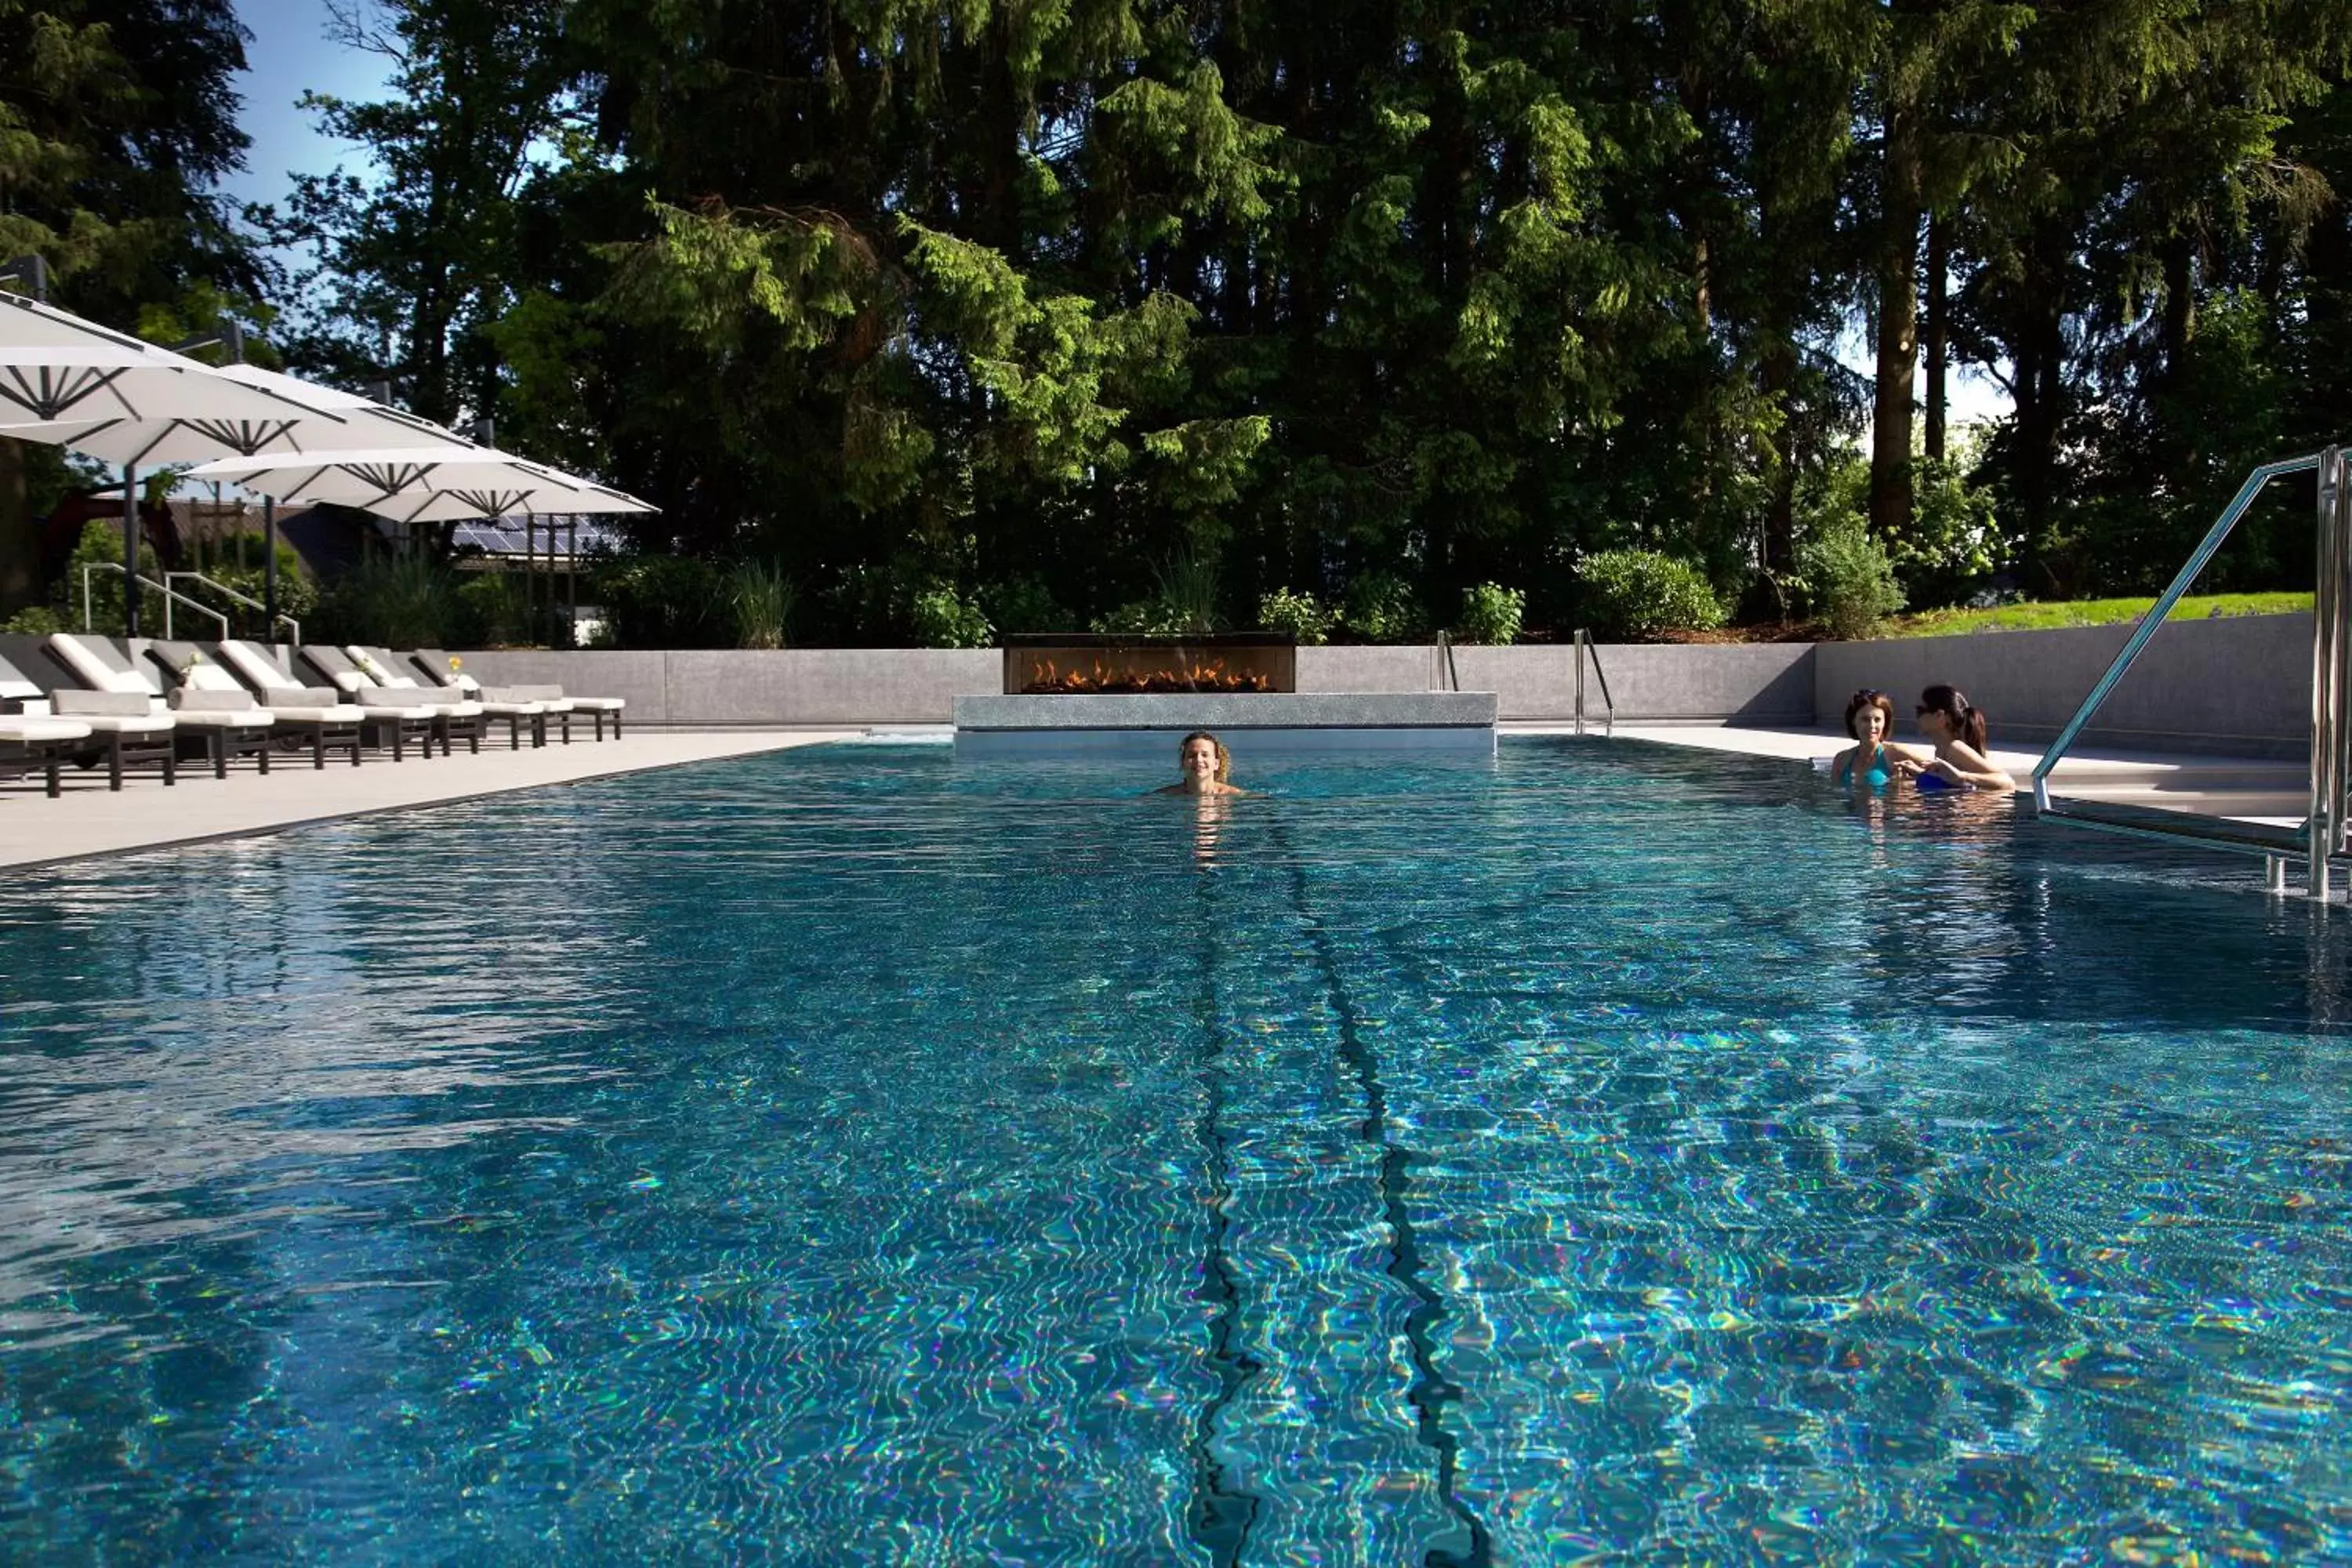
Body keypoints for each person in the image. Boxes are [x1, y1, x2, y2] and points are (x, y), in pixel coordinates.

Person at [1892, 684, 2017, 792]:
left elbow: (2008, 782)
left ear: (1939, 716)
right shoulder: (1941, 751)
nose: (1916, 716)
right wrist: (1920, 774)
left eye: (1920, 710)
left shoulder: (1955, 749)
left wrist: (1962, 776)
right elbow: (1949, 785)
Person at [1831, 689, 1897, 792]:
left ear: (1885, 722)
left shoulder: (1895, 754)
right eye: (1865, 719)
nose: (1872, 726)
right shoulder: (1841, 759)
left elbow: (1930, 770)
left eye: (1878, 720)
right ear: (1853, 721)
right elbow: (1835, 797)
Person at [1156, 731, 1250, 796]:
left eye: (1205, 755)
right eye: (1192, 756)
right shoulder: (1164, 796)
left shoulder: (1234, 795)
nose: (1198, 759)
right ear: (1183, 762)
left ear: (1216, 764)